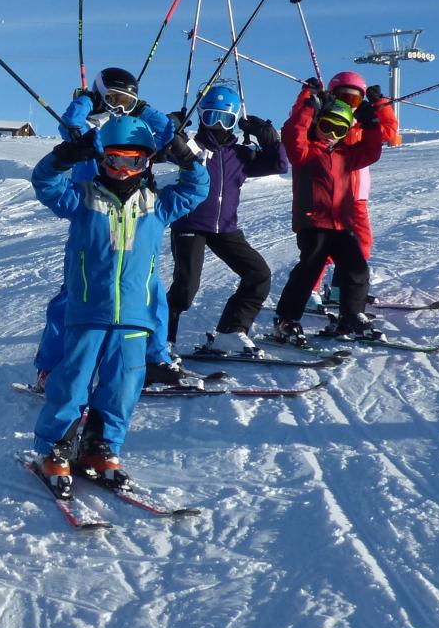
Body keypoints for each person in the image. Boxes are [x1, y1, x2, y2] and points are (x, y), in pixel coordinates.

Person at [31, 115, 207, 494]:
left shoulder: (157, 205)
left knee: (123, 385)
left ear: (147, 162)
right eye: (115, 160)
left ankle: (101, 446)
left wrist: (186, 155)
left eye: (135, 161)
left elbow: (198, 188)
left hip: (134, 316)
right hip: (87, 312)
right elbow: (44, 181)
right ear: (100, 160)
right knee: (72, 382)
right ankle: (55, 449)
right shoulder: (81, 199)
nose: (124, 170)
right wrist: (65, 155)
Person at [33, 67, 188, 388]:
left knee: (150, 291)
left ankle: (154, 358)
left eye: (129, 101)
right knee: (74, 293)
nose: (121, 108)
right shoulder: (89, 128)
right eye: (114, 99)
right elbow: (69, 127)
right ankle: (51, 366)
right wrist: (86, 102)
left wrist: (144, 110)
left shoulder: (133, 129)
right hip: (93, 212)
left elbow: (165, 136)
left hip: (133, 209)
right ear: (99, 95)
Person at [166, 84, 285, 356]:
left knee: (259, 274)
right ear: (201, 117)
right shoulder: (192, 146)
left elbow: (278, 165)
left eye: (226, 119)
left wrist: (269, 139)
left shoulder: (241, 154)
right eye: (211, 117)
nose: (218, 125)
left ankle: (231, 331)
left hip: (225, 228)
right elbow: (165, 153)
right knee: (185, 288)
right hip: (190, 225)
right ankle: (161, 341)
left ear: (234, 122)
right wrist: (172, 131)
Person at [271, 80, 385, 343]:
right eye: (327, 126)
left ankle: (351, 317)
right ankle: (286, 319)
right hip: (313, 223)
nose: (332, 133)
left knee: (356, 269)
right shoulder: (306, 153)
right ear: (318, 124)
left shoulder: (347, 155)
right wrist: (308, 106)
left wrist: (370, 123)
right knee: (309, 269)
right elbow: (292, 133)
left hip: (342, 225)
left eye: (339, 129)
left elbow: (372, 151)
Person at [304, 70, 394, 313]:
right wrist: (310, 99)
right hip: (329, 194)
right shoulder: (325, 119)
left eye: (353, 100)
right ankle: (309, 290)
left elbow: (390, 134)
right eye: (341, 97)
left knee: (361, 244)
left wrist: (380, 105)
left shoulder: (362, 122)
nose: (347, 104)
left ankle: (341, 288)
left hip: (357, 196)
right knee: (322, 247)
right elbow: (299, 127)